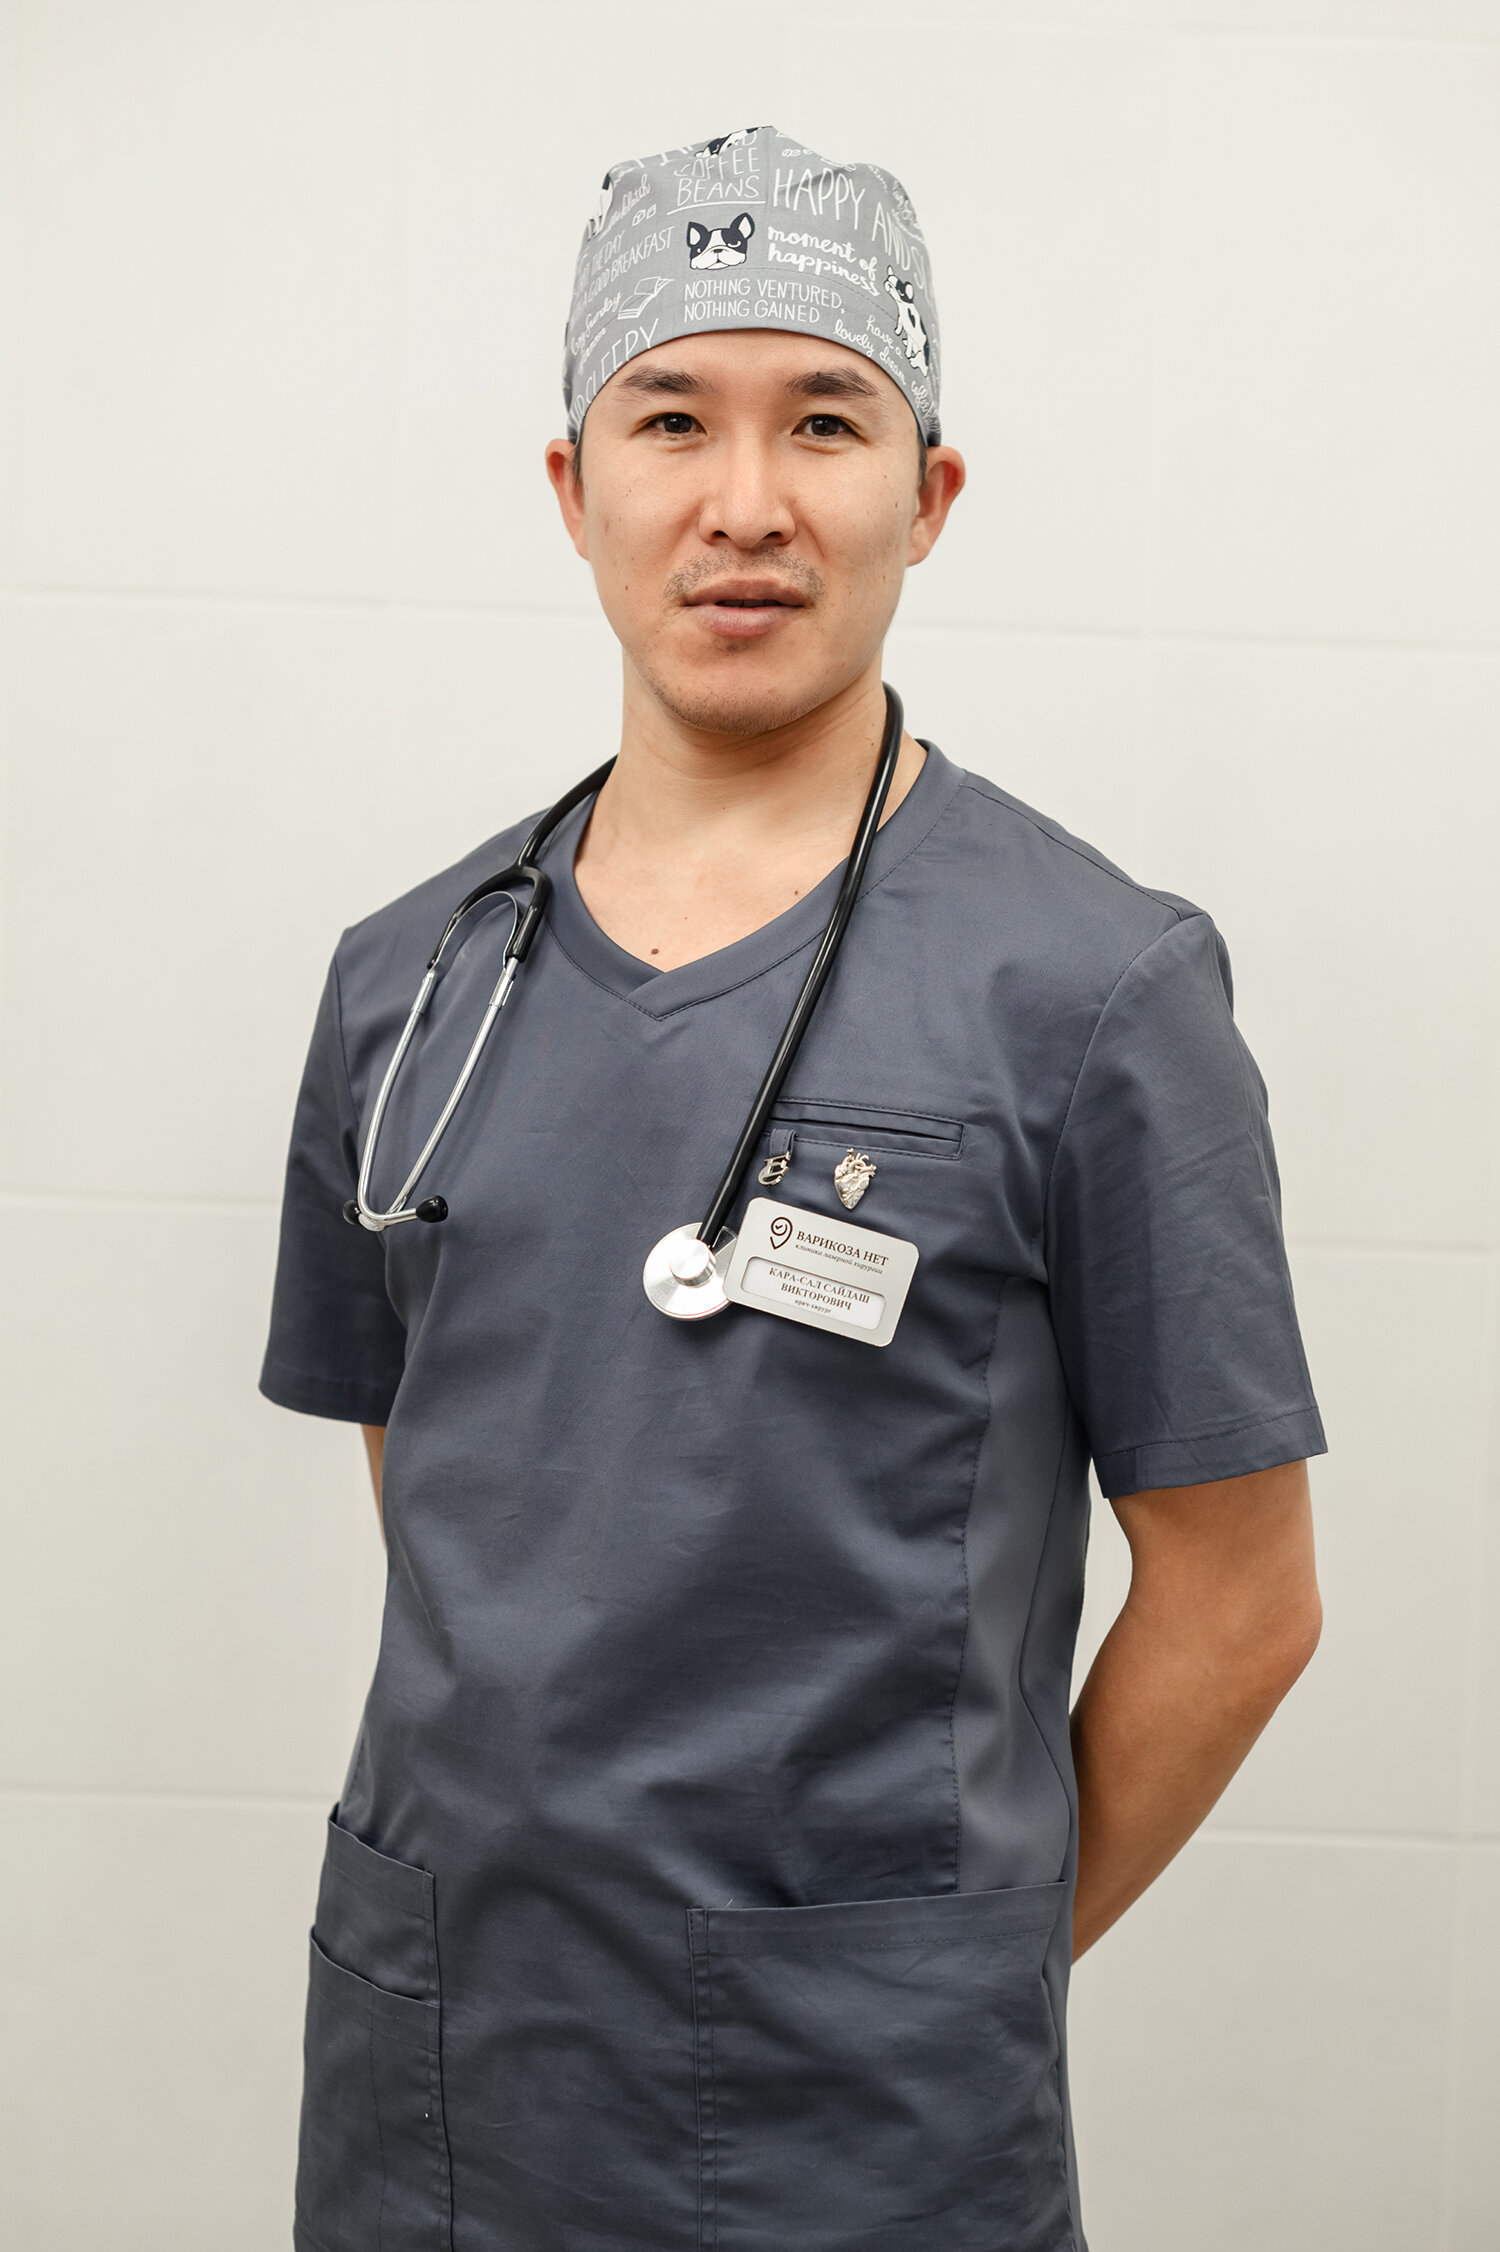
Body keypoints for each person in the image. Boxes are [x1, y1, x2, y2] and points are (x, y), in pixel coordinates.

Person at [262, 125, 1324, 2252]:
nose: (744, 501)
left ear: (928, 495)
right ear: (573, 485)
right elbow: (450, 1492)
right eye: (671, 418)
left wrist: (940, 1964)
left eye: (825, 421)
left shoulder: (1093, 989)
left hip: (870, 2127)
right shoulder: (416, 986)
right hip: (439, 2079)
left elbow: (1242, 1601)